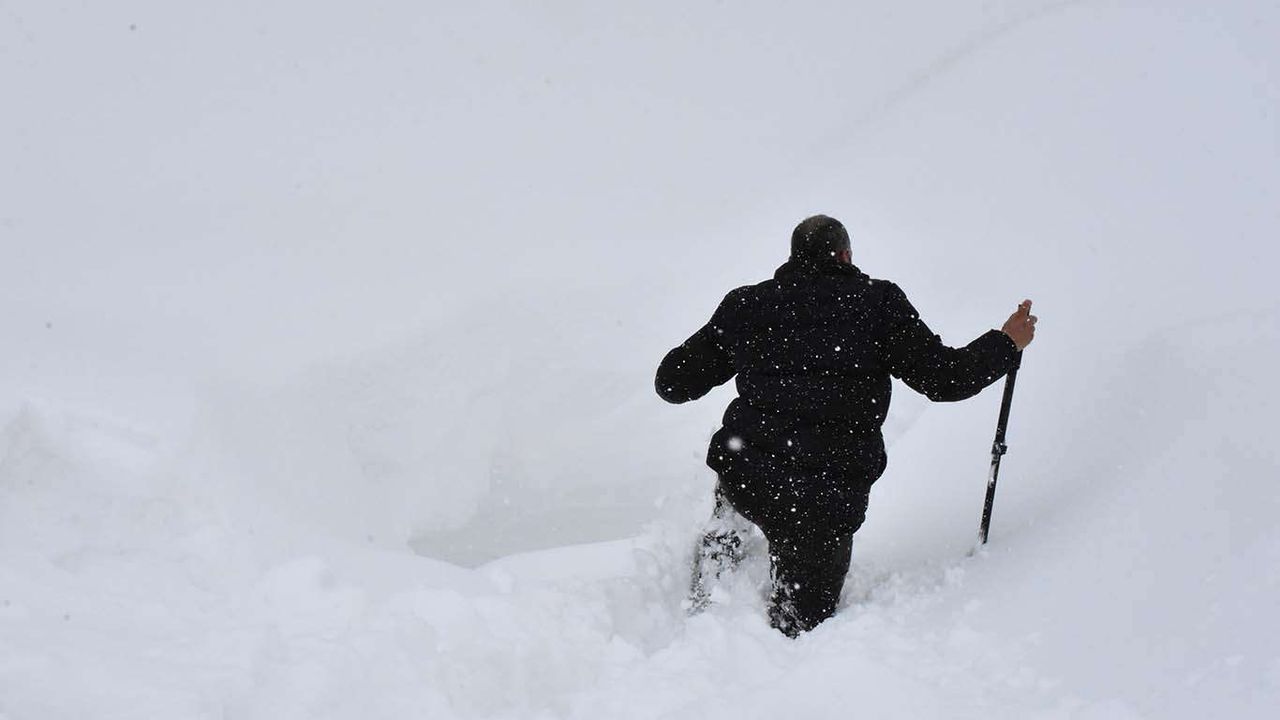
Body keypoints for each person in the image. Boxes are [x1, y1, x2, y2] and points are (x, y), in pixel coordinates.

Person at [655, 214, 1037, 636]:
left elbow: (671, 383)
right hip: (822, 501)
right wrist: (1006, 342)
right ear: (846, 255)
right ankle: (772, 637)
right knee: (801, 629)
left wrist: (732, 341)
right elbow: (946, 379)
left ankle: (717, 563)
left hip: (750, 474)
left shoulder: (748, 305)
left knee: (739, 485)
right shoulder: (878, 305)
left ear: (793, 257)